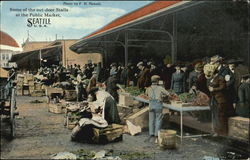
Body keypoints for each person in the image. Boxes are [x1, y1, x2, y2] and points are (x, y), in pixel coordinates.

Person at [208, 67, 235, 136]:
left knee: (221, 116)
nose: (209, 75)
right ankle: (216, 131)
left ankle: (223, 133)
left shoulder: (220, 78)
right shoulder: (212, 78)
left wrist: (213, 89)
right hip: (214, 99)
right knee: (215, 116)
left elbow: (223, 87)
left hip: (220, 100)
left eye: (210, 73)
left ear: (214, 72)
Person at [145, 75, 169, 143]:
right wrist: (162, 96)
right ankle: (156, 134)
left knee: (151, 120)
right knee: (158, 119)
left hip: (151, 105)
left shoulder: (148, 88)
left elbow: (146, 94)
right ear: (158, 81)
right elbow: (167, 94)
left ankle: (151, 133)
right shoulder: (160, 88)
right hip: (158, 105)